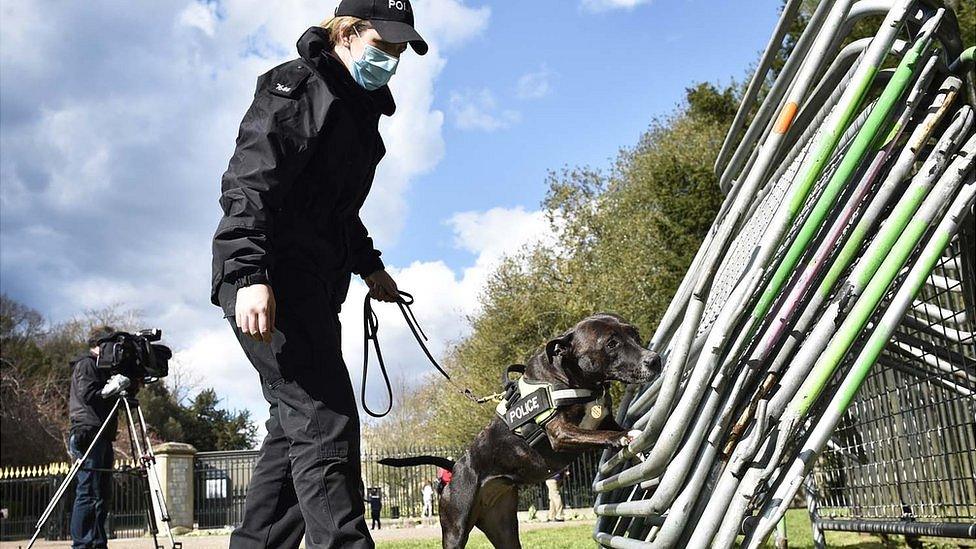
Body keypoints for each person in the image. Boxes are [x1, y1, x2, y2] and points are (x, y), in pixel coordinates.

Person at [210, 0, 428, 547]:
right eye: (384, 45)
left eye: (401, 50)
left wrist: (370, 266)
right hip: (273, 281)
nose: (394, 59)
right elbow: (250, 181)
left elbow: (334, 209)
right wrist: (248, 272)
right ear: (347, 33)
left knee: (293, 436)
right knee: (324, 420)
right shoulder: (299, 87)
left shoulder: (357, 110)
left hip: (314, 287)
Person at [67, 325, 129, 549]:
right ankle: (83, 543)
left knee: (102, 494)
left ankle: (97, 542)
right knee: (88, 491)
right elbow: (89, 394)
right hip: (88, 432)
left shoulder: (104, 368)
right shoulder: (86, 364)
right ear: (99, 345)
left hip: (103, 434)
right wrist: (111, 387)